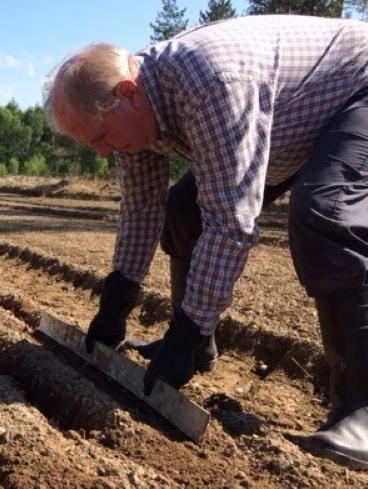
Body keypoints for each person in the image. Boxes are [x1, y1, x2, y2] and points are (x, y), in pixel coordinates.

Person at [43, 14, 368, 468]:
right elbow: (142, 211)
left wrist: (187, 329)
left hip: (356, 90)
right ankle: (198, 347)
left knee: (324, 212)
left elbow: (232, 221)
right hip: (289, 124)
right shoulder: (133, 116)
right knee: (183, 209)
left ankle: (362, 408)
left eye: (99, 137)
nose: (101, 152)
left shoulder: (211, 81)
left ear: (127, 95)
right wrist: (116, 298)